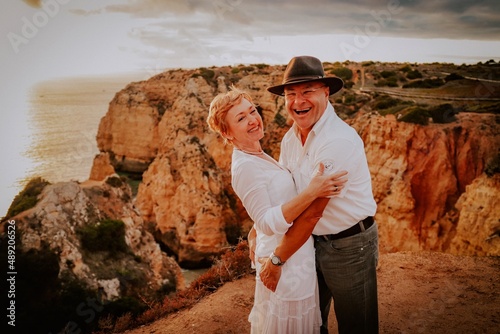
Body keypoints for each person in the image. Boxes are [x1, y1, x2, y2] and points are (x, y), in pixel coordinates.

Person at [207, 87, 348, 333]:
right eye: (241, 118)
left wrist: (253, 231)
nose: (253, 119)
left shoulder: (257, 154)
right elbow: (267, 222)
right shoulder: (245, 167)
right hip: (284, 265)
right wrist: (312, 191)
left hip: (294, 258)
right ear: (227, 133)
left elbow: (267, 208)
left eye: (252, 111)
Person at [260, 56, 379, 334]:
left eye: (307, 92)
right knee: (314, 321)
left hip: (350, 246)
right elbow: (287, 192)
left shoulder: (336, 141)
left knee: (356, 326)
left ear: (326, 92)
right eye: (291, 94)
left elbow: (313, 211)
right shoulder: (291, 137)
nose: (298, 102)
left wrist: (276, 260)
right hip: (309, 243)